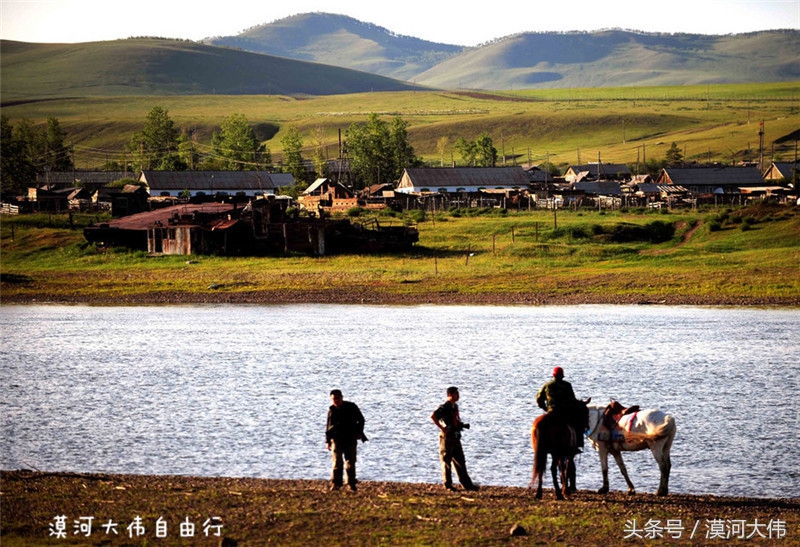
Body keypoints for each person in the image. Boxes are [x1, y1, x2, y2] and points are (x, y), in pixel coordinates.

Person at [431, 386, 479, 492]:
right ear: (450, 395)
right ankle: (448, 485)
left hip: (456, 437)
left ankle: (467, 485)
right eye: (455, 393)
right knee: (446, 461)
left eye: (458, 393)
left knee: (460, 461)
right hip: (447, 438)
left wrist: (460, 425)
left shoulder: (455, 406)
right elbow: (433, 416)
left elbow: (455, 420)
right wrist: (442, 428)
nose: (458, 395)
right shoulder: (444, 407)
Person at [325, 389, 367, 492]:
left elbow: (361, 420)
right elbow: (328, 426)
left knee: (350, 461)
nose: (336, 401)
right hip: (336, 438)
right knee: (337, 462)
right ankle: (336, 484)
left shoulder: (351, 407)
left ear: (342, 397)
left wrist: (359, 432)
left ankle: (351, 484)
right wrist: (328, 441)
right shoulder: (332, 410)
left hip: (350, 437)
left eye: (338, 398)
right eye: (334, 399)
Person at [536, 366, 582, 449]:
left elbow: (539, 399)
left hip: (551, 412)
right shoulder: (567, 385)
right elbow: (572, 401)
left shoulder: (547, 385)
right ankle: (577, 445)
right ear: (562, 376)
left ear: (553, 375)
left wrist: (545, 408)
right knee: (576, 425)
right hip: (564, 414)